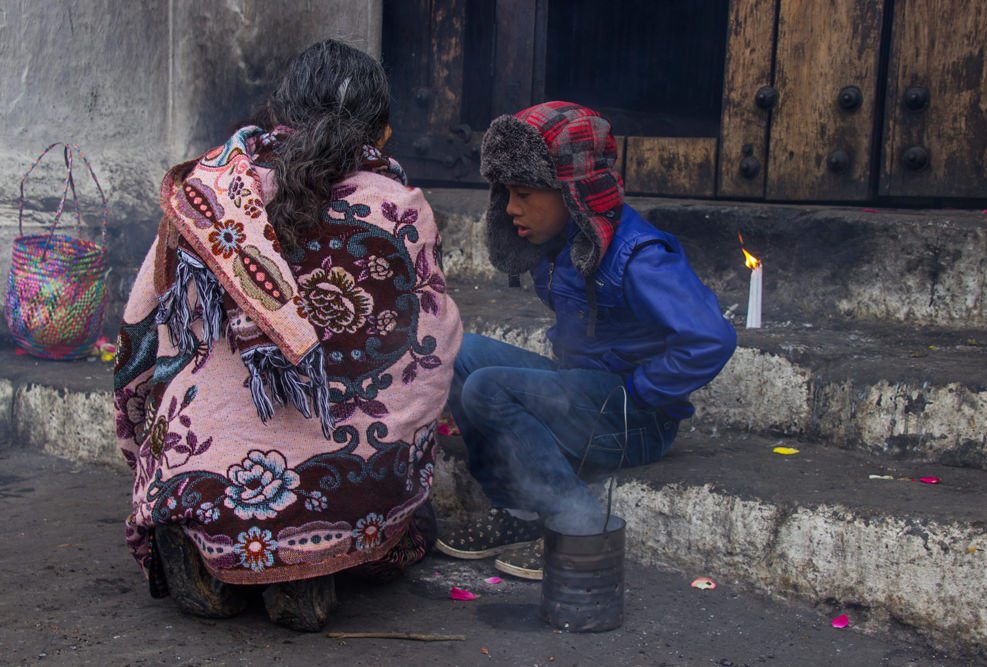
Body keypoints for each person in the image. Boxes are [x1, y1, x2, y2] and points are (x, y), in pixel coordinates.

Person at [114, 39, 462, 631]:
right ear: (381, 135)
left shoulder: (207, 196)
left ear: (279, 115)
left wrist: (138, 439)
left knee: (187, 393)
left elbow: (140, 339)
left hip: (208, 483)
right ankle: (313, 564)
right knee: (412, 522)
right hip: (347, 493)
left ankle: (200, 538)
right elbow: (431, 359)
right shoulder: (400, 207)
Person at [436, 101, 736, 580]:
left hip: (634, 417)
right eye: (507, 193)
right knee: (460, 355)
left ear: (572, 192)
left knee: (490, 388)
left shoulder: (639, 258)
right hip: (581, 391)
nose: (511, 208)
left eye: (525, 194)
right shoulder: (558, 244)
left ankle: (576, 525)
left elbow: (711, 339)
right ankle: (516, 513)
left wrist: (639, 391)